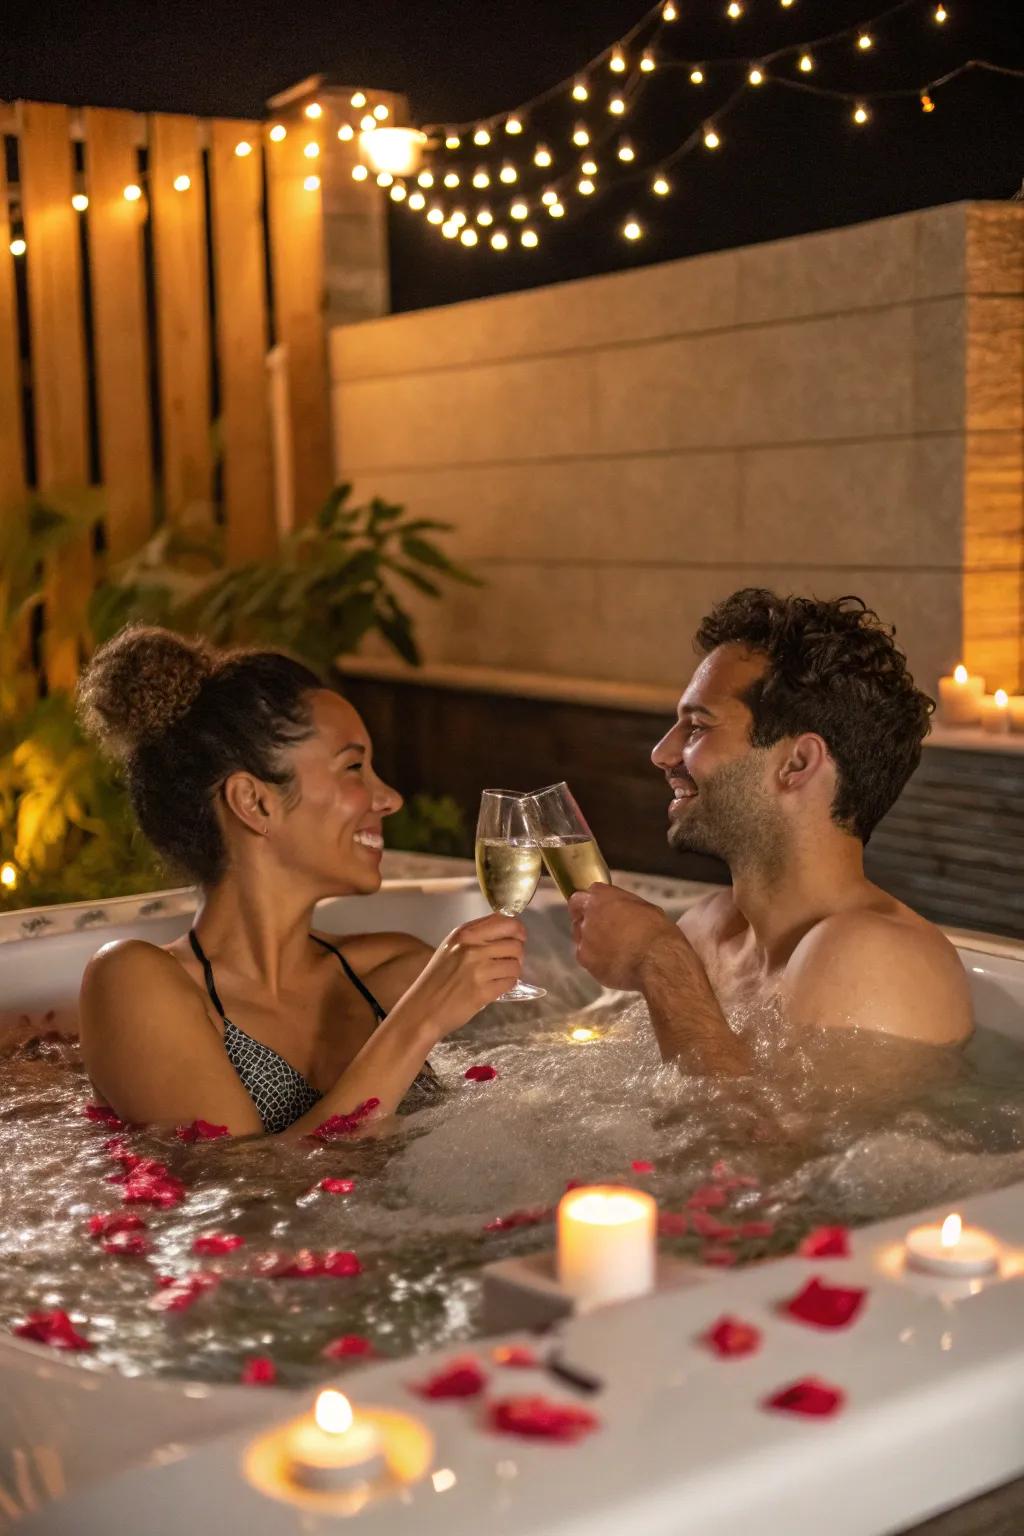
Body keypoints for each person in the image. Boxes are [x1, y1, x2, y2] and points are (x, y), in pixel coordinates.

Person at [76, 626, 525, 1136]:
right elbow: (250, 1198)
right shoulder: (137, 983)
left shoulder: (398, 970)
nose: (389, 799)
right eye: (354, 767)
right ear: (255, 802)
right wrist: (417, 1023)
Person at [569, 589, 973, 1072]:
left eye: (697, 727)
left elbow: (777, 1147)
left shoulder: (877, 956)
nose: (662, 753)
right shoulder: (707, 928)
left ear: (797, 763)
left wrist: (658, 962)